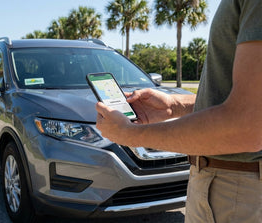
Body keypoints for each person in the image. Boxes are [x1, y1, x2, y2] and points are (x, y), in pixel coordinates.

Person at [95, 1, 262, 222]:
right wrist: (174, 105)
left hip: (237, 191)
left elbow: (248, 125)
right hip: (228, 187)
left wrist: (129, 135)